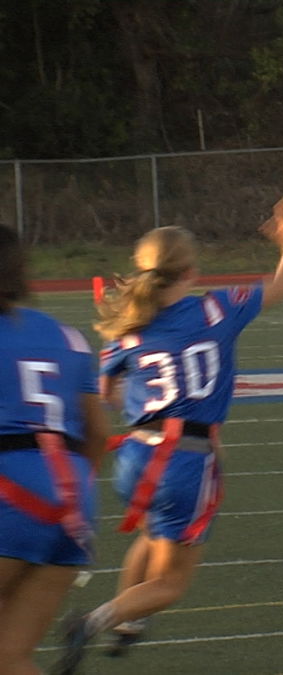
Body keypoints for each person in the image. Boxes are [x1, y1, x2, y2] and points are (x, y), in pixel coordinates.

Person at [53, 190, 283, 673]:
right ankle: (93, 621)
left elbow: (108, 394)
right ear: (192, 273)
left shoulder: (129, 326)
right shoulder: (216, 310)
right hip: (187, 459)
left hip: (136, 456)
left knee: (154, 535)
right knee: (172, 582)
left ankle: (129, 623)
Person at [0, 223, 110, 675]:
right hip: (73, 503)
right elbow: (98, 432)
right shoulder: (67, 336)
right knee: (10, 657)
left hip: (9, 491)